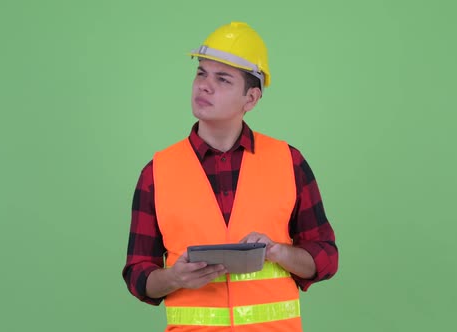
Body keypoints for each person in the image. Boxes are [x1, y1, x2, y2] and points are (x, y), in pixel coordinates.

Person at [123, 21, 338, 331]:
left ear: (251, 99)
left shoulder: (288, 162)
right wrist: (173, 277)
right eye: (201, 73)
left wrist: (278, 252)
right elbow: (138, 275)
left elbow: (326, 257)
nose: (204, 86)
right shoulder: (157, 172)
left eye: (222, 79)